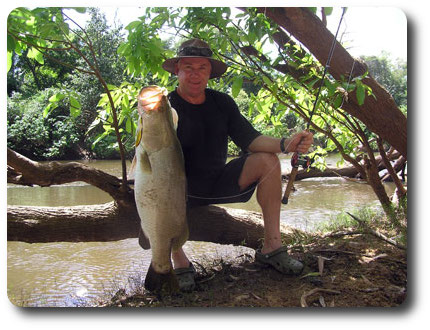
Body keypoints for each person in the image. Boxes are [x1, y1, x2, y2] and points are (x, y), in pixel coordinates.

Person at [160, 39, 313, 291]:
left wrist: (288, 144)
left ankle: (272, 247)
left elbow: (251, 139)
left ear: (210, 73)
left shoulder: (222, 102)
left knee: (268, 160)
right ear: (177, 70)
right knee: (155, 182)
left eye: (202, 68)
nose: (195, 74)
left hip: (218, 182)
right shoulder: (163, 107)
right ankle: (179, 260)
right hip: (177, 189)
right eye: (188, 67)